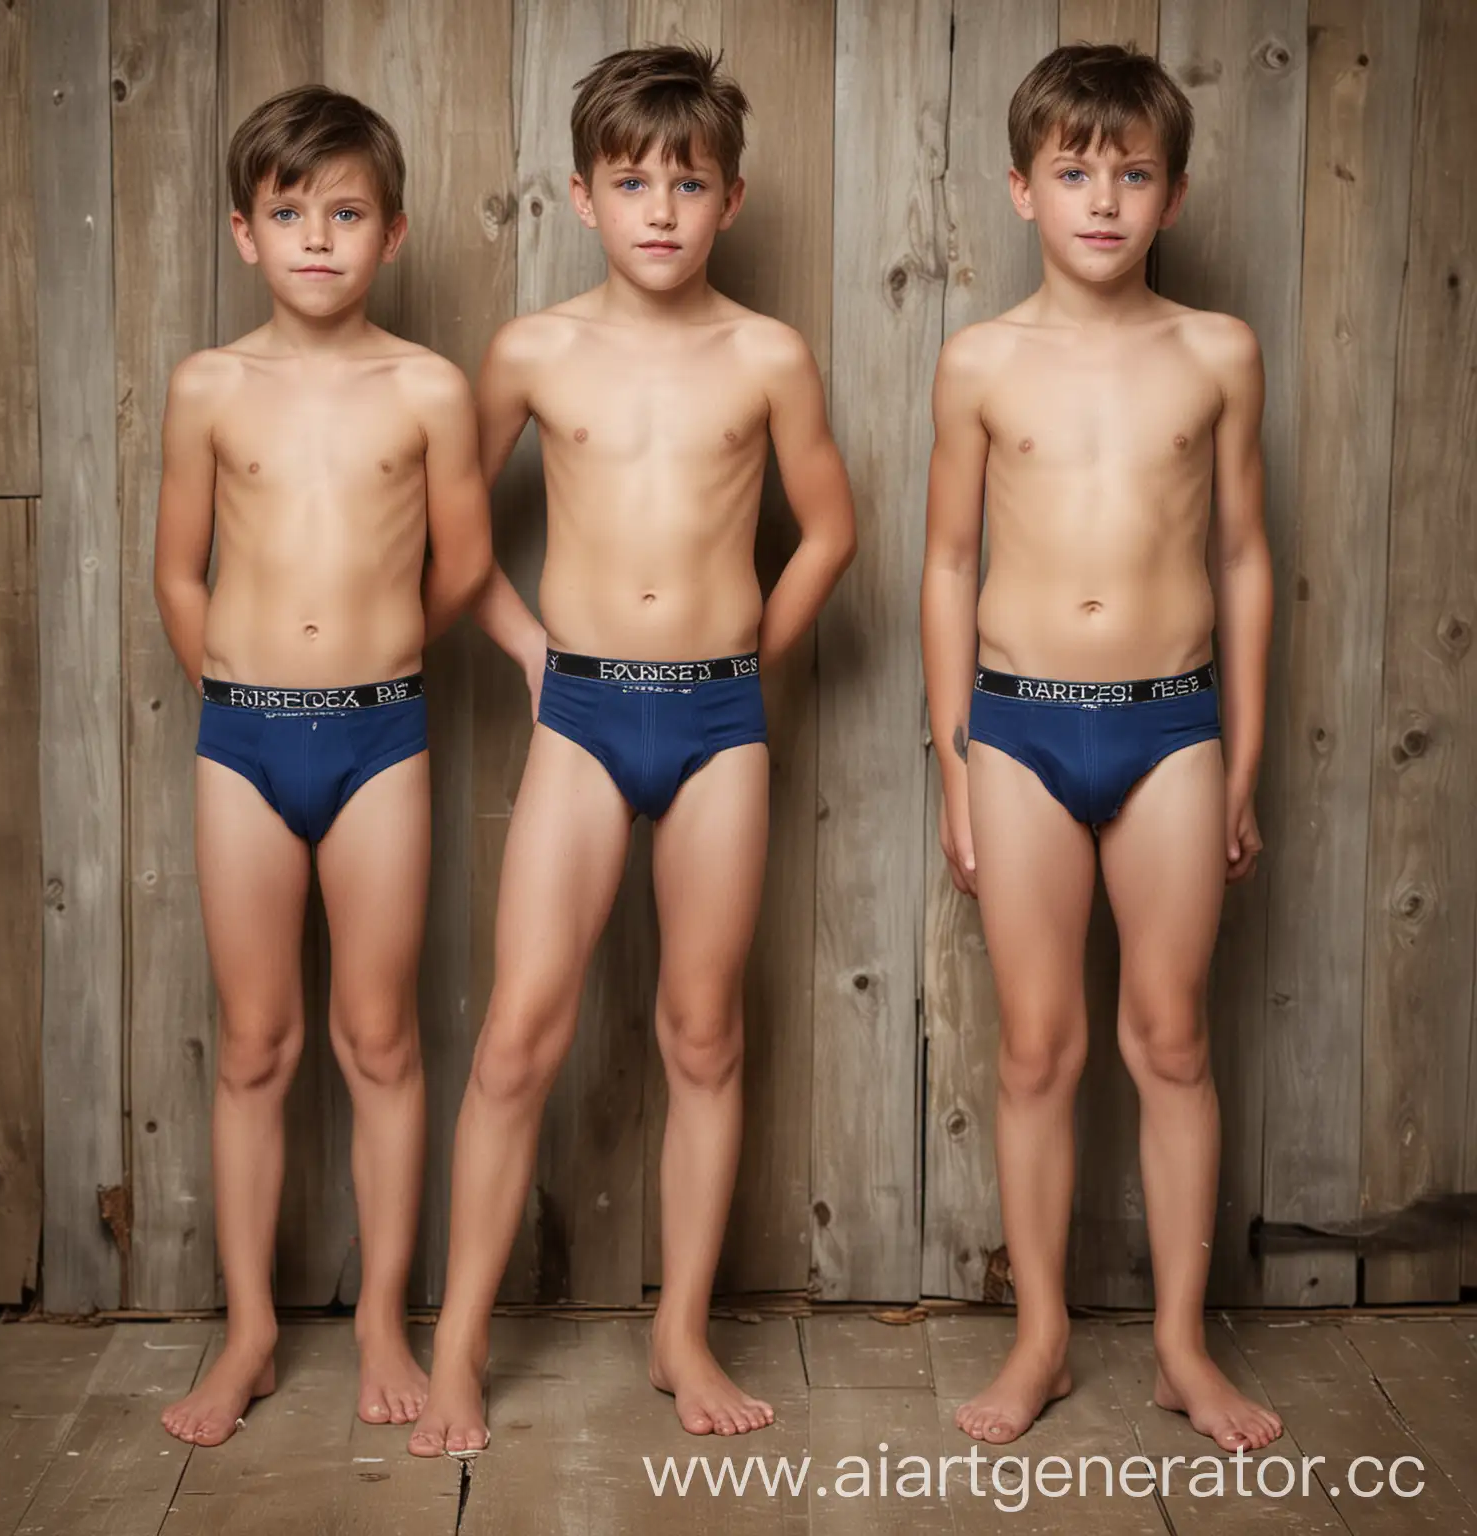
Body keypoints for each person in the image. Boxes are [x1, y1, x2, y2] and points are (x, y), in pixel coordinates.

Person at [411, 43, 855, 1456]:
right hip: (587, 713)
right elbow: (456, 532)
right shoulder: (536, 350)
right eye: (631, 181)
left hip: (719, 717)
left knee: (705, 1031)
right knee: (518, 1035)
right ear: (581, 193)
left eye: (689, 181)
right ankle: (461, 1344)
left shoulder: (767, 354)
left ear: (732, 198)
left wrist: (747, 663)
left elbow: (831, 530)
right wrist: (539, 655)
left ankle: (679, 1334)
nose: (660, 207)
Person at [921, 43, 1281, 1452]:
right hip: (1017, 734)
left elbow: (1247, 557)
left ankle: (1186, 1348)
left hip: (1171, 730)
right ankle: (1044, 1339)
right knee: (1035, 1049)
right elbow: (948, 562)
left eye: (1133, 173)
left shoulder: (1216, 352)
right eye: (1074, 171)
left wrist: (1240, 755)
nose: (1104, 198)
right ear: (1023, 188)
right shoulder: (980, 361)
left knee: (1173, 1040)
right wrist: (954, 755)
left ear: (1173, 195)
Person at [153, 84, 491, 1446]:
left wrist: (374, 661)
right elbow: (180, 569)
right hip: (242, 742)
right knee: (253, 1044)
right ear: (244, 233)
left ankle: (379, 1316)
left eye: (344, 213)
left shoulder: (427, 387)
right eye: (288, 213)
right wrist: (235, 682)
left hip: (377, 737)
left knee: (378, 1035)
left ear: (391, 232)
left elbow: (461, 562)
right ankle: (244, 1334)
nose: (315, 238)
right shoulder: (208, 386)